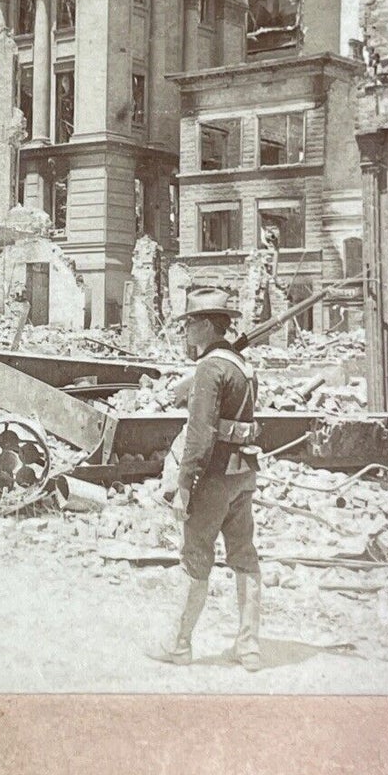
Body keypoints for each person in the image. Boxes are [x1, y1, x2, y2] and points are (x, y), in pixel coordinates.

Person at [148, 286, 263, 671]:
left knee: (196, 555)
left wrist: (183, 487)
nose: (185, 331)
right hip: (244, 473)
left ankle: (179, 645)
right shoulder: (242, 366)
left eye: (190, 323)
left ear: (209, 326)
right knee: (244, 556)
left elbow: (200, 435)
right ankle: (248, 647)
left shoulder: (210, 368)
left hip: (214, 476)